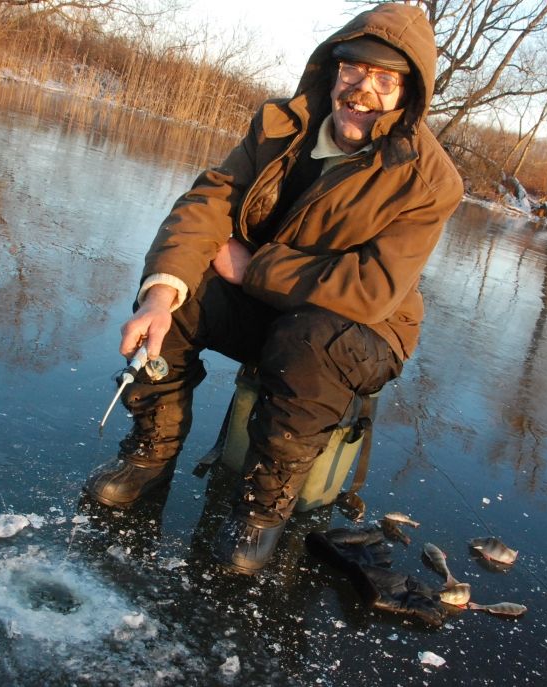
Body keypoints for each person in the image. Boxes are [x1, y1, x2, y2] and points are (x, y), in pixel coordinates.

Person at [84, 3, 463, 575]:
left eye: (386, 80)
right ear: (332, 71)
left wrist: (253, 267)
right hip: (275, 310)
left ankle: (263, 507)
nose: (363, 89)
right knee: (184, 290)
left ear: (410, 95)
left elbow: (371, 289)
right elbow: (209, 203)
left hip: (364, 330)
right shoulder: (281, 126)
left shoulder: (430, 181)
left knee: (311, 336)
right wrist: (160, 294)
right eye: (353, 70)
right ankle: (152, 452)